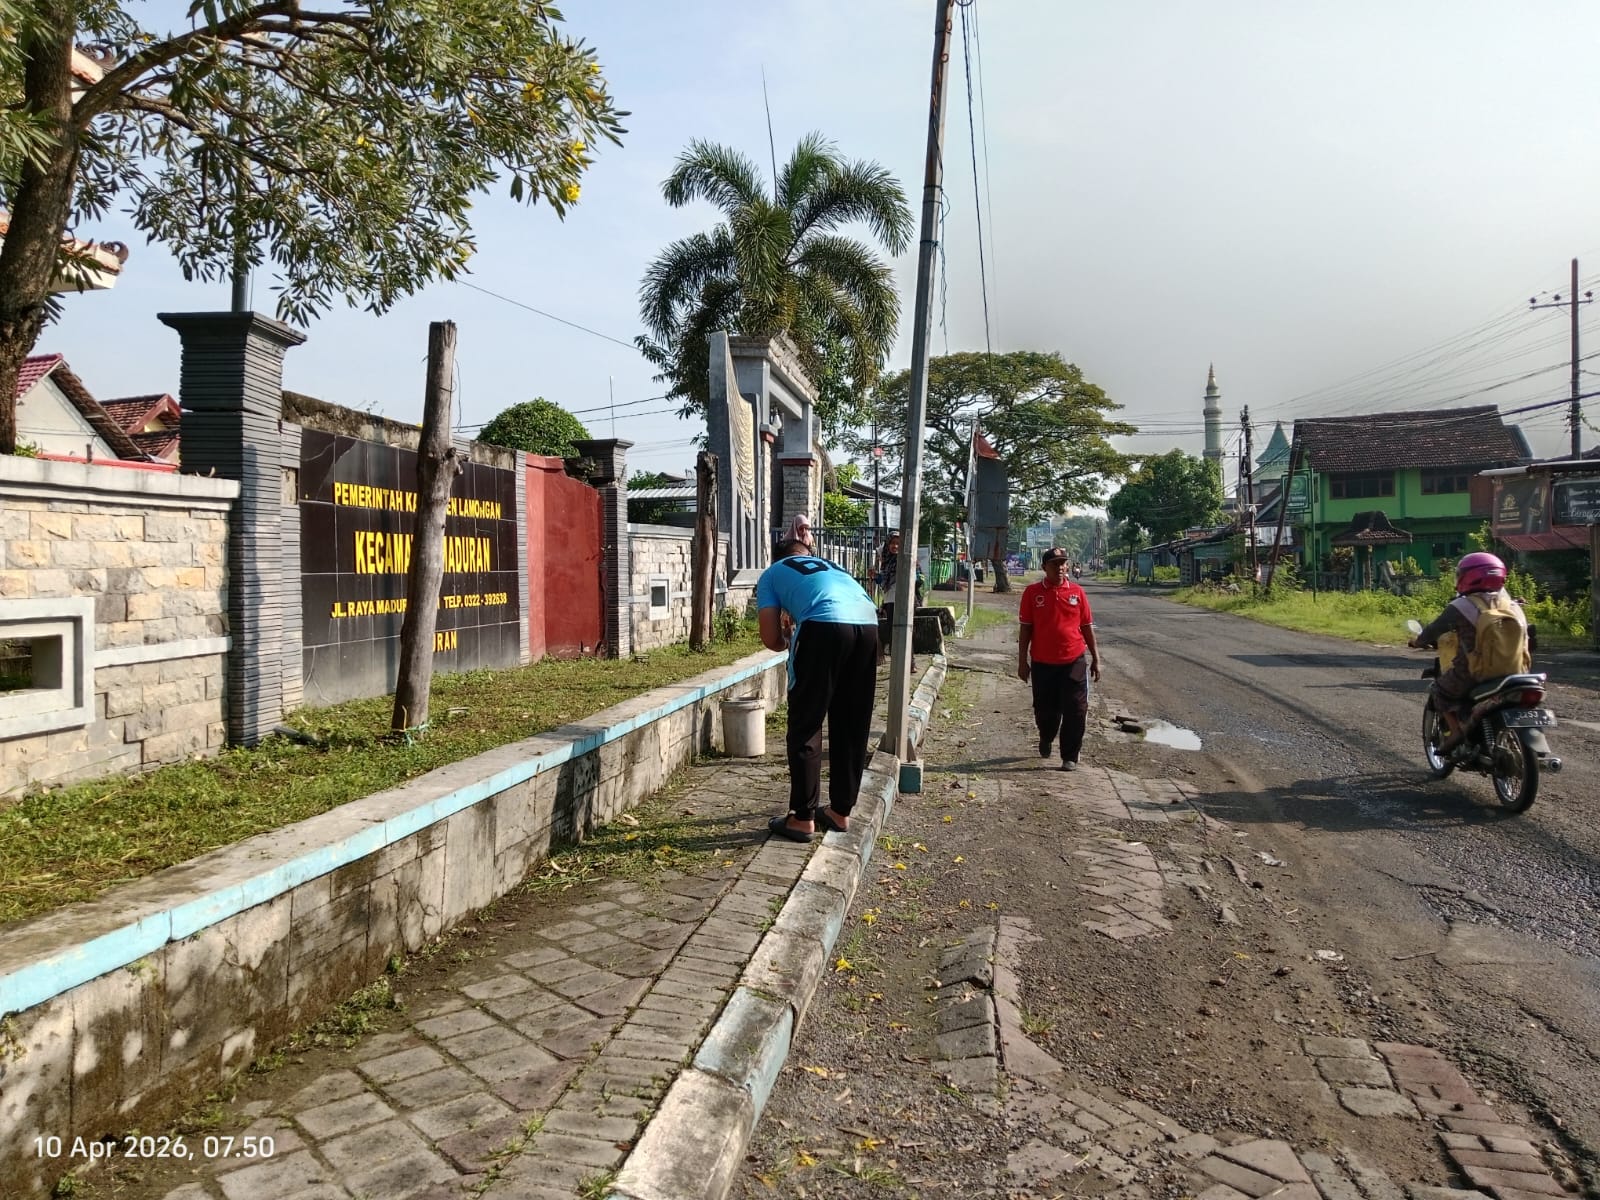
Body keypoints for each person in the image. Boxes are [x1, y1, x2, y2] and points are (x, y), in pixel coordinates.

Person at [757, 537, 881, 843]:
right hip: (869, 625)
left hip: (823, 625)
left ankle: (802, 818)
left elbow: (770, 639)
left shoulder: (772, 573)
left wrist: (788, 639)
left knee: (807, 722)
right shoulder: (833, 566)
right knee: (852, 721)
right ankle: (840, 811)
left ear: (777, 558)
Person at [1408, 551, 1531, 757]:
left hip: (1474, 674)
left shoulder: (1461, 606)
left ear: (1468, 576)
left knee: (1438, 689)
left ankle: (1456, 731)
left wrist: (1418, 641)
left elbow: (1433, 631)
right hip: (1516, 671)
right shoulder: (1513, 605)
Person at [1018, 546, 1101, 771]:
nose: (1060, 568)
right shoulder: (1032, 593)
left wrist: (1096, 658)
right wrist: (1022, 662)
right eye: (1055, 564)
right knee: (1046, 712)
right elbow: (1026, 629)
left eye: (1063, 563)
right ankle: (1046, 737)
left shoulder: (1077, 592)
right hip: (1043, 663)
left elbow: (1086, 626)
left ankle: (1070, 755)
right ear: (1044, 567)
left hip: (1073, 661)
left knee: (1076, 709)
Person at [874, 531, 924, 667]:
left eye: (898, 543)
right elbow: (883, 581)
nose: (895, 546)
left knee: (906, 630)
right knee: (894, 631)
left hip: (906, 599)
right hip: (890, 601)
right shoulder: (886, 561)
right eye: (892, 543)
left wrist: (910, 576)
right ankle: (899, 663)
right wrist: (876, 576)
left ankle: (910, 663)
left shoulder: (908, 559)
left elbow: (919, 579)